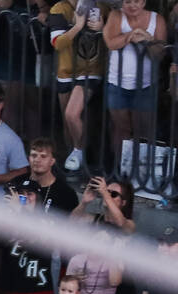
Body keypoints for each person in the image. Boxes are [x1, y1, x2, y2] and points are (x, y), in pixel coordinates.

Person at [49, 0, 107, 171]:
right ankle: (74, 164)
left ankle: (82, 157)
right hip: (66, 71)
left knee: (72, 114)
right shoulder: (60, 8)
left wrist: (103, 28)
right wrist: (78, 26)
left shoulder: (102, 7)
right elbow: (57, 43)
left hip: (91, 70)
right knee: (68, 123)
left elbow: (114, 35)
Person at [104, 0, 167, 155]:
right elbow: (110, 43)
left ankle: (140, 173)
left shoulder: (157, 19)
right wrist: (130, 36)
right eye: (128, 1)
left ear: (144, 2)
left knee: (143, 130)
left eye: (137, 1)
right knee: (121, 128)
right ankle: (120, 170)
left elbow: (160, 54)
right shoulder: (116, 15)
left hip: (145, 85)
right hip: (117, 83)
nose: (132, 5)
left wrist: (149, 40)